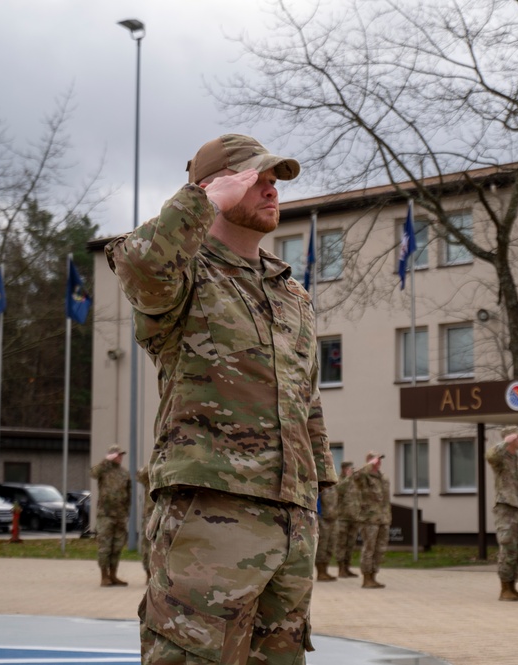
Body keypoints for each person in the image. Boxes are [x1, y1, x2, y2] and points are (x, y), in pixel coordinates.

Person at [106, 134, 338, 664]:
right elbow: (142, 265)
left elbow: (306, 398)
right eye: (255, 179)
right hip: (209, 510)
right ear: (213, 187)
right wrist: (201, 199)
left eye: (274, 182)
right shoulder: (184, 272)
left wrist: (316, 492)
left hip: (291, 516)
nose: (270, 190)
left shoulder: (290, 291)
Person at [486, 425, 518, 601]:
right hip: (506, 508)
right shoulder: (500, 457)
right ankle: (505, 588)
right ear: (509, 438)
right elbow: (490, 456)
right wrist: (504, 443)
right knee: (508, 548)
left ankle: (513, 585)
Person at [89, 444, 131, 587]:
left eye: (121, 455)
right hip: (105, 515)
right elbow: (93, 473)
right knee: (105, 546)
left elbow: (128, 493)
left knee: (117, 546)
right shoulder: (103, 470)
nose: (120, 457)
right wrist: (106, 461)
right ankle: (104, 576)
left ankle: (113, 575)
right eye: (117, 455)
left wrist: (127, 512)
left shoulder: (124, 473)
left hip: (120, 515)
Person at [353, 452, 390, 589]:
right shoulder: (364, 477)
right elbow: (355, 475)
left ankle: (374, 576)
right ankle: (366, 578)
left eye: (379, 460)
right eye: (375, 460)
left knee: (380, 549)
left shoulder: (383, 478)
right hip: (369, 519)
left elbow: (386, 501)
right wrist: (368, 465)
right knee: (369, 548)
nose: (378, 462)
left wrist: (387, 518)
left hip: (383, 518)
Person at [334, 461, 360, 579]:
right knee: (341, 544)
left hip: (354, 518)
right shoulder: (340, 480)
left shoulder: (354, 482)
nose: (352, 470)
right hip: (342, 518)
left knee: (351, 544)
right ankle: (341, 569)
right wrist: (348, 477)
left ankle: (347, 567)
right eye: (349, 468)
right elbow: (338, 490)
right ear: (344, 469)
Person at [315, 480, 339, 582]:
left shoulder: (333, 487)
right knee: (322, 546)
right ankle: (320, 572)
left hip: (333, 519)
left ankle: (325, 570)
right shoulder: (319, 486)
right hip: (322, 519)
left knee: (330, 545)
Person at [136, 464, 153, 585]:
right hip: (150, 514)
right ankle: (149, 574)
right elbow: (139, 476)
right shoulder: (151, 467)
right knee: (147, 546)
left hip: (168, 512)